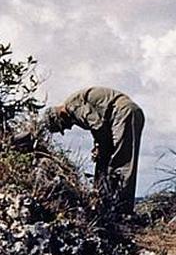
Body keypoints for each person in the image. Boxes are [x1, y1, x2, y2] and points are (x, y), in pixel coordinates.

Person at [43, 86, 145, 214]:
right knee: (114, 162)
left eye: (63, 126)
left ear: (60, 115)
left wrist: (102, 150)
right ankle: (111, 205)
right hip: (122, 115)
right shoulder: (74, 107)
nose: (68, 128)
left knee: (123, 163)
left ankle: (123, 211)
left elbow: (98, 126)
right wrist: (99, 147)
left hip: (124, 114)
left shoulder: (73, 107)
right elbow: (99, 125)